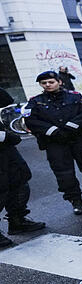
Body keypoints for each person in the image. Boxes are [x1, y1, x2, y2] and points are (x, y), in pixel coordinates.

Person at [25, 71, 82, 214]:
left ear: (59, 82)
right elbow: (31, 120)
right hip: (55, 142)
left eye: (51, 82)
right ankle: (76, 201)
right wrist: (53, 131)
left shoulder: (74, 96)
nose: (48, 85)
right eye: (44, 83)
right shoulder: (35, 101)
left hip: (81, 139)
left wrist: (71, 126)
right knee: (64, 175)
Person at [0, 88, 45, 247]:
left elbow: (5, 99)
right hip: (4, 142)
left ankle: (17, 220)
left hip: (6, 151)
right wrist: (8, 136)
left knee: (19, 180)